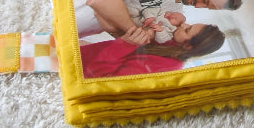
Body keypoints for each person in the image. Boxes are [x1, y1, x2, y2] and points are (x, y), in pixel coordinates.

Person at [74, 0, 242, 44]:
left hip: (78, 35)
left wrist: (130, 35)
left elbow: (121, 36)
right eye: (205, 0)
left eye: (206, 7)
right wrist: (135, 32)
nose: (198, 6)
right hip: (71, 10)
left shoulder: (174, 16)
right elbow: (100, 0)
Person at [80, 23, 226, 78]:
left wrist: (124, 44)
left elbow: (100, 77)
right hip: (80, 56)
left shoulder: (167, 66)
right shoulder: (168, 45)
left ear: (188, 46)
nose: (184, 24)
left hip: (76, 70)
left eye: (187, 30)